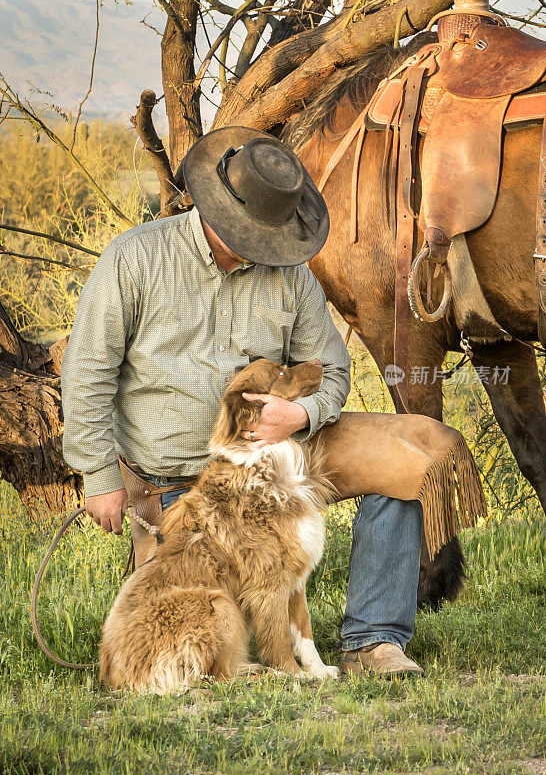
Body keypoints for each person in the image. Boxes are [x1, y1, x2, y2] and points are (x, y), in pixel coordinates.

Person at [61, 127, 423, 677]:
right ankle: (239, 650)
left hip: (278, 461)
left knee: (400, 467)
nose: (261, 246)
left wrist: (299, 414)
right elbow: (88, 371)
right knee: (197, 621)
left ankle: (374, 639)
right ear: (215, 205)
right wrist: (98, 476)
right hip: (178, 485)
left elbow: (335, 369)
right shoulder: (133, 259)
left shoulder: (293, 278)